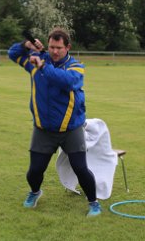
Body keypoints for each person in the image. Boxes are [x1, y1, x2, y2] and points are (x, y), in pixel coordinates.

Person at [8, 28, 101, 217]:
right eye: (51, 47)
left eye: (59, 48)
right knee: (35, 170)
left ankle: (94, 203)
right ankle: (35, 192)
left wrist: (43, 65)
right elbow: (13, 54)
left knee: (80, 169)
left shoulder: (75, 66)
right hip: (43, 129)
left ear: (68, 47)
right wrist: (26, 45)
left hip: (71, 128)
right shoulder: (36, 61)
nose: (55, 51)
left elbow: (66, 81)